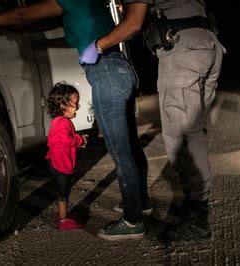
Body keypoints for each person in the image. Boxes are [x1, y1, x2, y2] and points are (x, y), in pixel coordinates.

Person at [0, 0, 150, 240]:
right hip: (120, 69)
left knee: (120, 150)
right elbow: (32, 24)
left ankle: (133, 220)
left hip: (105, 72)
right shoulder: (85, 6)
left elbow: (22, 14)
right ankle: (140, 202)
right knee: (130, 146)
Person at [79, 0, 226, 244]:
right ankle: (195, 208)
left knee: (181, 140)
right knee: (194, 133)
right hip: (207, 44)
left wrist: (98, 45)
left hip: (182, 50)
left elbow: (133, 24)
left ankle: (197, 220)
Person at [45, 83, 87, 231]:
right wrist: (80, 140)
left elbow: (56, 140)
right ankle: (63, 220)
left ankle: (62, 215)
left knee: (60, 191)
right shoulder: (63, 123)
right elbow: (66, 140)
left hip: (54, 162)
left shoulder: (57, 122)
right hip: (60, 164)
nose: (78, 107)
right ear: (63, 105)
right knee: (63, 192)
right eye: (75, 103)